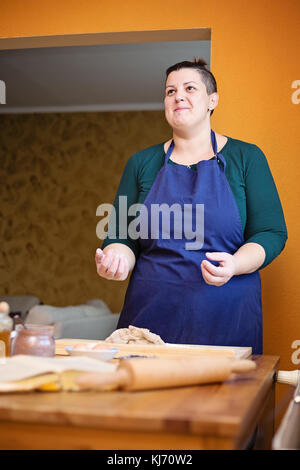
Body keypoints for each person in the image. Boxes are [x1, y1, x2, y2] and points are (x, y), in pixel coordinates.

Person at [95, 59, 287, 354]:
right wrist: (116, 259)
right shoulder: (141, 163)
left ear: (212, 100)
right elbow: (121, 236)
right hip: (149, 320)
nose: (177, 96)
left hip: (226, 318)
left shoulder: (246, 157)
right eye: (170, 91)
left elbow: (271, 232)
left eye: (189, 88)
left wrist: (234, 265)